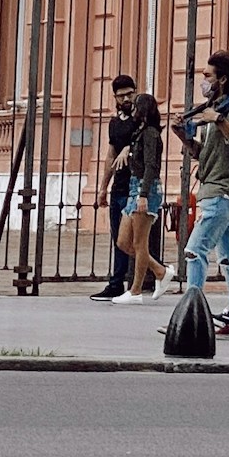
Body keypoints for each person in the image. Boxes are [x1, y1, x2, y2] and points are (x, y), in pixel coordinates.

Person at [176, 49, 229, 336]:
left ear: (222, 79)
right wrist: (184, 138)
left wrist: (219, 120)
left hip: (223, 190)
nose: (203, 80)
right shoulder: (215, 108)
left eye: (208, 75)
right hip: (218, 186)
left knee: (194, 251)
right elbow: (208, 154)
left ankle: (190, 319)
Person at [112, 92, 167, 298]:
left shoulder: (151, 133)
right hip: (135, 186)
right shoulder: (140, 132)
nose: (132, 108)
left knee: (139, 243)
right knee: (123, 241)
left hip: (146, 187)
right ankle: (160, 271)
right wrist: (127, 149)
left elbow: (152, 165)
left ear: (143, 109)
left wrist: (143, 194)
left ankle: (135, 290)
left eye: (136, 105)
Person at [91, 74, 140, 298]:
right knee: (118, 239)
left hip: (136, 185)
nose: (127, 99)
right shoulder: (114, 122)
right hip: (119, 186)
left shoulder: (142, 118)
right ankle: (117, 283)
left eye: (131, 94)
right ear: (115, 98)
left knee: (133, 238)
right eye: (122, 96)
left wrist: (129, 149)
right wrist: (103, 187)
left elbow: (148, 142)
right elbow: (110, 154)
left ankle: (147, 277)